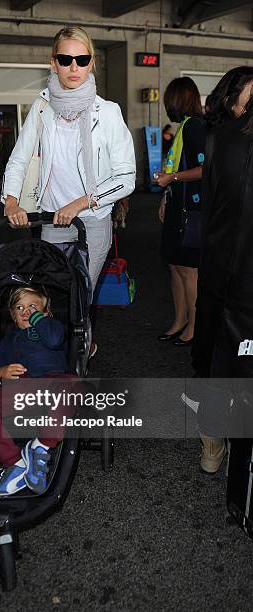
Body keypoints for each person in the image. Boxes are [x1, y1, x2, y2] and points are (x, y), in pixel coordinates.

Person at [2, 25, 136, 297]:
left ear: (91, 63)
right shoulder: (41, 107)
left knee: (80, 298)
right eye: (65, 60)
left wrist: (80, 203)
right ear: (54, 63)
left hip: (93, 221)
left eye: (82, 60)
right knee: (54, 297)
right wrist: (11, 201)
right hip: (52, 220)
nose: (74, 67)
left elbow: (126, 178)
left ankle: (85, 340)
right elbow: (19, 159)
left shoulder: (108, 113)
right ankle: (80, 340)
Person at [191, 67, 253, 473]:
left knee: (216, 356)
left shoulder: (216, 140)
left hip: (218, 267)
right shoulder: (219, 139)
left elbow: (210, 209)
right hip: (243, 277)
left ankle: (212, 444)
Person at [0, 286, 73, 497]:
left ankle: (40, 447)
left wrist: (39, 320)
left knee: (73, 387)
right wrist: (0, 372)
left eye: (33, 306)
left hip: (53, 384)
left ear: (47, 313)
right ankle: (16, 464)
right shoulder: (10, 339)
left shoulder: (53, 328)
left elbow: (53, 339)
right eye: (20, 308)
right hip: (21, 389)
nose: (26, 311)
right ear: (14, 318)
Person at [155, 77, 206, 347]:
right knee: (175, 267)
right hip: (178, 204)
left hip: (191, 209)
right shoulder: (185, 126)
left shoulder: (195, 126)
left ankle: (194, 327)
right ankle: (180, 320)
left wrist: (171, 179)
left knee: (188, 271)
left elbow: (203, 169)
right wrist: (166, 195)